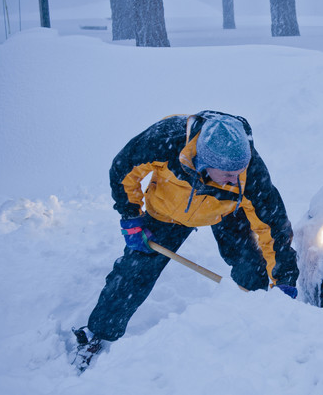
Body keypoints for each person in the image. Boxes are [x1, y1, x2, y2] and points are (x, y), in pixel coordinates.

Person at [72, 111, 299, 371]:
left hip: (225, 211)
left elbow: (274, 229)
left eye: (240, 172)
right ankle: (98, 334)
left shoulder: (250, 174)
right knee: (134, 272)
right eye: (228, 174)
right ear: (205, 161)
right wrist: (131, 216)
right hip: (167, 211)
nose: (236, 179)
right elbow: (123, 170)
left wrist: (284, 280)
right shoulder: (165, 141)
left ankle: (257, 321)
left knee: (251, 266)